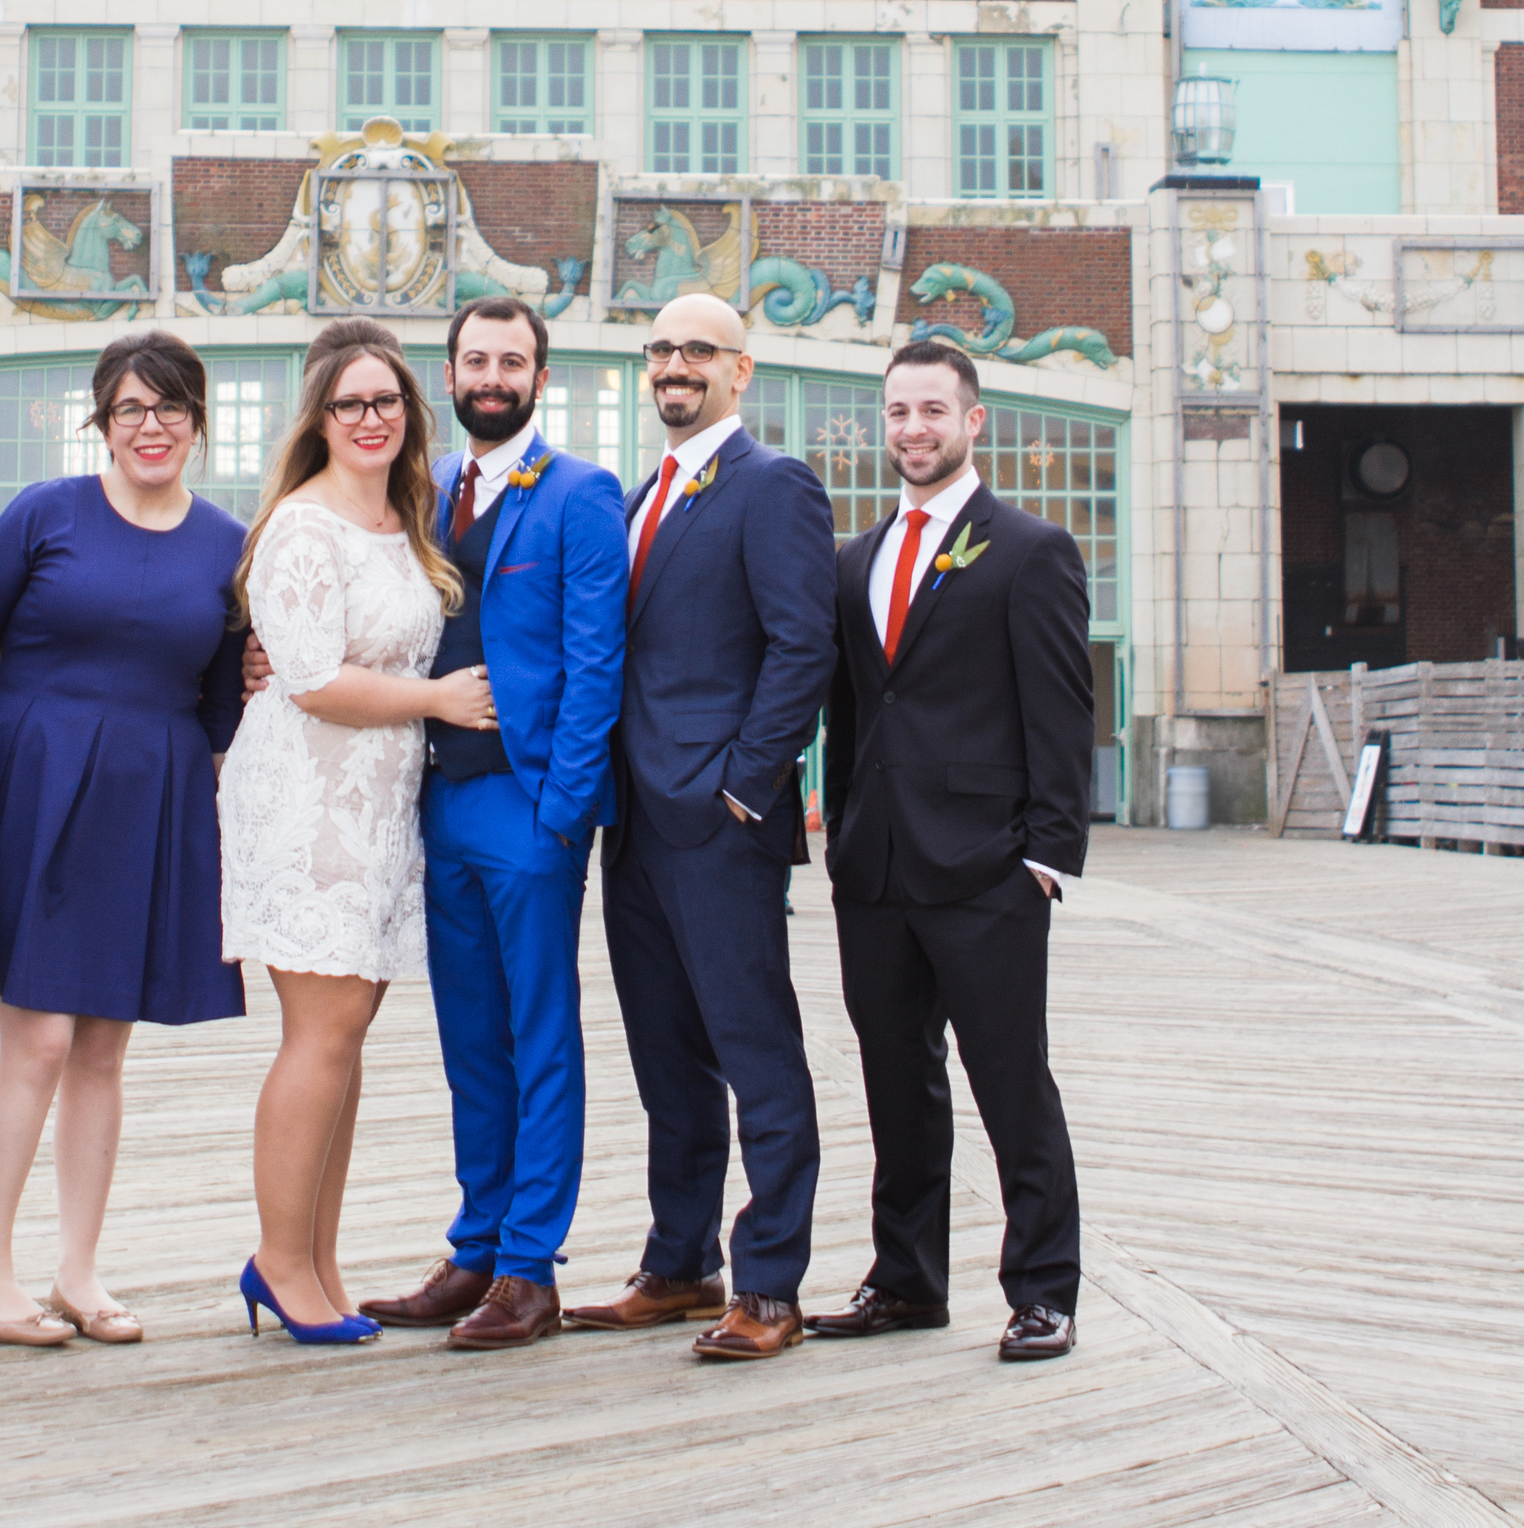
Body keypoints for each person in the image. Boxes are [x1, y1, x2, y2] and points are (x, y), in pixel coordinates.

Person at [563, 289, 838, 1364]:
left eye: (697, 350)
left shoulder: (773, 487)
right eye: (661, 349)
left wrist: (743, 787)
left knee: (755, 1052)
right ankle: (681, 1263)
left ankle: (769, 1286)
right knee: (665, 1059)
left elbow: (799, 647)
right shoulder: (641, 497)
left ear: (739, 370)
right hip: (632, 823)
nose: (675, 365)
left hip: (719, 823)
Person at [0, 330, 247, 1348]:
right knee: (34, 1039)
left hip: (151, 795)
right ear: (102, 421)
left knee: (101, 1053)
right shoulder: (47, 512)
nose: (152, 426)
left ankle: (78, 1269)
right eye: (131, 408)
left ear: (197, 421)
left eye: (171, 407)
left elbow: (221, 704)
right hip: (34, 782)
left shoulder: (227, 542)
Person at [814, 337, 1094, 1365]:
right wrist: (841, 836)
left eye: (932, 411)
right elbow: (850, 714)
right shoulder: (855, 560)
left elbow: (1063, 714)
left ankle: (1042, 1290)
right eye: (896, 413)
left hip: (987, 871)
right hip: (876, 872)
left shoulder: (1028, 550)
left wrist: (1045, 857)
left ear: (973, 421)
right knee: (896, 1084)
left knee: (1010, 1084)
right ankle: (905, 1281)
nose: (913, 430)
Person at [362, 297, 627, 1352]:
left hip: (526, 806)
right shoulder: (420, 496)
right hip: (436, 801)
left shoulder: (578, 494)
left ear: (539, 379)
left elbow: (596, 659)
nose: (492, 375)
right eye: (476, 358)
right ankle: (474, 1246)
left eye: (512, 360)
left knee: (539, 1036)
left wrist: (563, 811)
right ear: (451, 371)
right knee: (469, 1038)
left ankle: (529, 1268)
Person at [224, 334, 494, 1344]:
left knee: (344, 1042)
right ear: (320, 420)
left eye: (386, 401)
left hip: (382, 803)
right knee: (320, 1034)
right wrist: (436, 699)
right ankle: (279, 1262)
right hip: (309, 798)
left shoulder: (403, 519)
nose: (370, 417)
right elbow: (308, 677)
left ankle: (317, 1261)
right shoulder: (303, 527)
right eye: (349, 404)